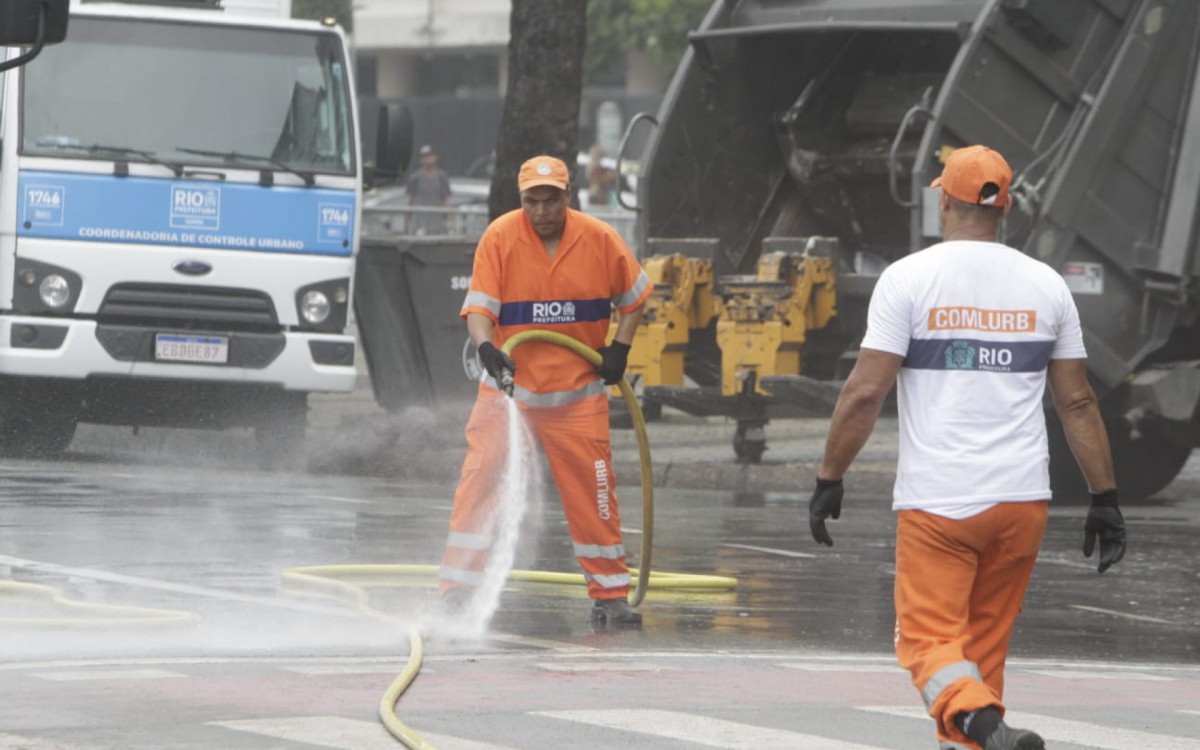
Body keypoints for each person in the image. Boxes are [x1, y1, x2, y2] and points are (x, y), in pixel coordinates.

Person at [807, 145, 1127, 750]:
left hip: (941, 504)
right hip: (1022, 503)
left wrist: (830, 477)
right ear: (1005, 207)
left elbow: (864, 394)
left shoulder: (908, 279)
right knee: (979, 658)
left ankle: (981, 725)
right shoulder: (1048, 286)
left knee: (925, 642)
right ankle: (989, 733)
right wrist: (1104, 497)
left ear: (945, 202)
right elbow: (1078, 403)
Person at [438, 154, 652, 627]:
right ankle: (456, 590)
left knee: (595, 494)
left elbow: (636, 296)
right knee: (479, 483)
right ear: (521, 200)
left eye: (551, 200)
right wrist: (486, 346)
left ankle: (610, 594)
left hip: (577, 399)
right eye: (532, 201)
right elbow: (479, 309)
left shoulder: (599, 239)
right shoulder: (500, 237)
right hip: (508, 395)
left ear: (567, 196)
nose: (541, 211)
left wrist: (619, 348)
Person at [406, 144, 452, 235]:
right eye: (425, 157)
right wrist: (407, 221)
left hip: (437, 223)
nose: (427, 159)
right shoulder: (415, 178)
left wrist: (450, 221)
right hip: (419, 223)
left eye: (430, 156)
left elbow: (446, 200)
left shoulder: (442, 177)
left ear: (435, 157)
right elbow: (410, 201)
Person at [586, 144, 618, 208]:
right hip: (598, 196)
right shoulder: (595, 168)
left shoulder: (596, 167)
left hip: (601, 196)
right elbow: (596, 180)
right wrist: (608, 177)